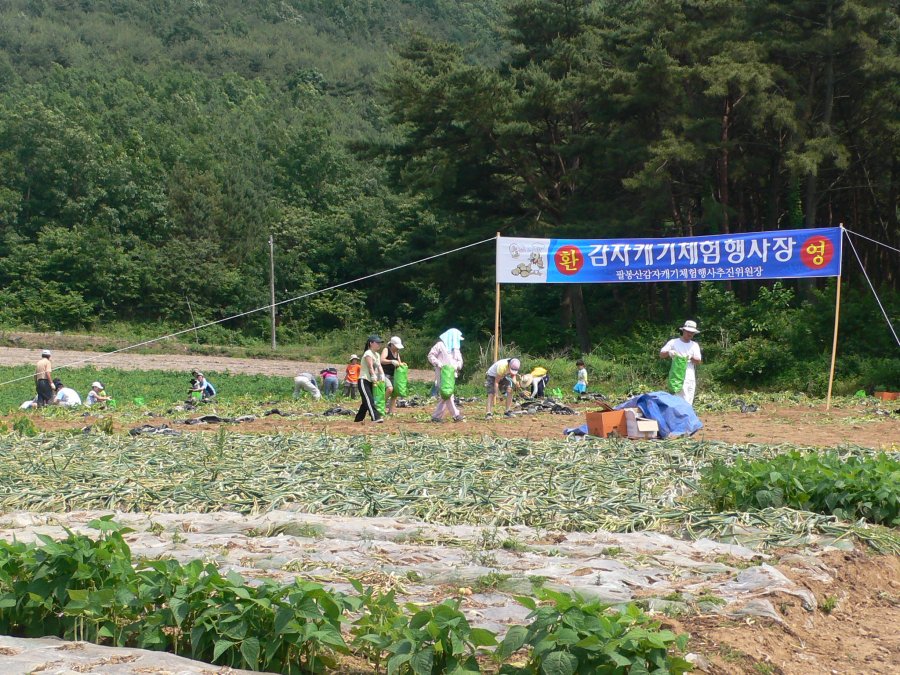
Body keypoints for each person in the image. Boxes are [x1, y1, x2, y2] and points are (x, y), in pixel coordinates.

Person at [660, 319, 702, 406]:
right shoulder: (673, 342)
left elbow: (698, 361)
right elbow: (661, 354)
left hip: (690, 375)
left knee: (688, 400)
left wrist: (691, 357)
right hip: (677, 376)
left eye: (692, 332)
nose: (690, 334)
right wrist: (669, 352)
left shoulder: (694, 345)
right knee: (678, 400)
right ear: (683, 330)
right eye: (688, 332)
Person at [426, 328, 465, 422]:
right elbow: (430, 355)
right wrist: (438, 363)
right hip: (442, 373)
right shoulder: (440, 345)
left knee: (445, 395)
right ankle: (456, 415)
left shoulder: (456, 348)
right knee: (447, 393)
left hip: (451, 374)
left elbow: (460, 361)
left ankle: (436, 416)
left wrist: (457, 366)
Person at [354, 335, 385, 423]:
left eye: (380, 343)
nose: (379, 345)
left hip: (372, 381)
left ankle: (358, 419)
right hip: (364, 380)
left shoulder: (377, 355)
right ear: (371, 343)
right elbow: (370, 366)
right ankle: (375, 417)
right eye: (377, 343)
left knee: (365, 401)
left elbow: (379, 366)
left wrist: (382, 375)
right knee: (369, 400)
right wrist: (373, 375)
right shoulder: (368, 353)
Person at [380, 336, 405, 414]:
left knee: (395, 392)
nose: (398, 348)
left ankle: (390, 411)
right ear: (392, 345)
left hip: (393, 375)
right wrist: (391, 361)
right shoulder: (386, 350)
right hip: (384, 374)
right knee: (390, 389)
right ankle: (380, 407)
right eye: (396, 346)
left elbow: (399, 363)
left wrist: (402, 364)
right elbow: (382, 360)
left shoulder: (397, 353)